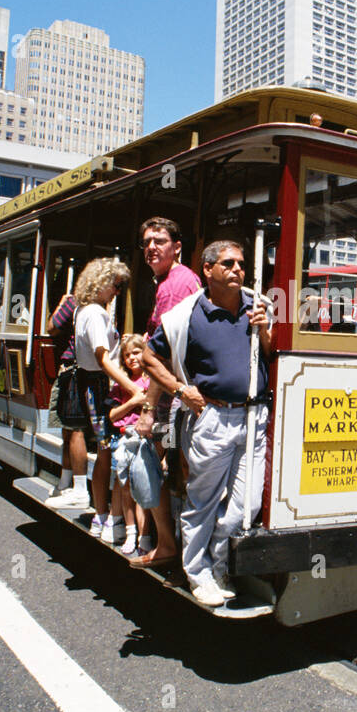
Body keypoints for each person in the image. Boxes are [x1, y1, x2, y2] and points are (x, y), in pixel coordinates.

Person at [138, 240, 274, 606]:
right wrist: (182, 390)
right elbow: (149, 358)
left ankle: (217, 564)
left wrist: (264, 331)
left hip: (253, 416)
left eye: (241, 264)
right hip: (212, 419)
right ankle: (197, 574)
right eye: (228, 264)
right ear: (208, 270)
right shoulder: (186, 315)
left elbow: (273, 353)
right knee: (203, 502)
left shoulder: (258, 306)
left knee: (248, 503)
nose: (237, 270)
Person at [131, 217, 201, 568]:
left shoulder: (175, 285)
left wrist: (148, 408)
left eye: (159, 240)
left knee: (159, 465)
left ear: (177, 247)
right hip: (175, 392)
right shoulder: (170, 282)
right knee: (172, 466)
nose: (151, 247)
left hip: (171, 396)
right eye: (146, 242)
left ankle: (169, 545)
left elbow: (163, 355)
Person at [73, 258, 141, 539]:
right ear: (100, 283)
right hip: (102, 389)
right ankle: (105, 518)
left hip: (91, 387)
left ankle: (102, 516)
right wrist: (133, 388)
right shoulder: (96, 314)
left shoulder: (83, 311)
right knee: (107, 454)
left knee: (103, 453)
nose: (116, 291)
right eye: (115, 285)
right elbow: (104, 358)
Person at [44, 282, 92, 516]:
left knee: (73, 430)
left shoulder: (74, 301)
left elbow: (52, 327)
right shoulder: (99, 305)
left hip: (72, 370)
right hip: (83, 370)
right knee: (69, 429)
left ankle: (78, 488)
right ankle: (65, 483)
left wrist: (62, 302)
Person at [108, 335, 152, 555]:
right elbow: (113, 416)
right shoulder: (121, 384)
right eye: (127, 355)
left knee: (142, 488)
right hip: (125, 439)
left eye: (136, 352)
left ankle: (144, 535)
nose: (131, 358)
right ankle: (130, 531)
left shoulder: (151, 381)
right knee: (126, 488)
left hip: (145, 440)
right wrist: (133, 401)